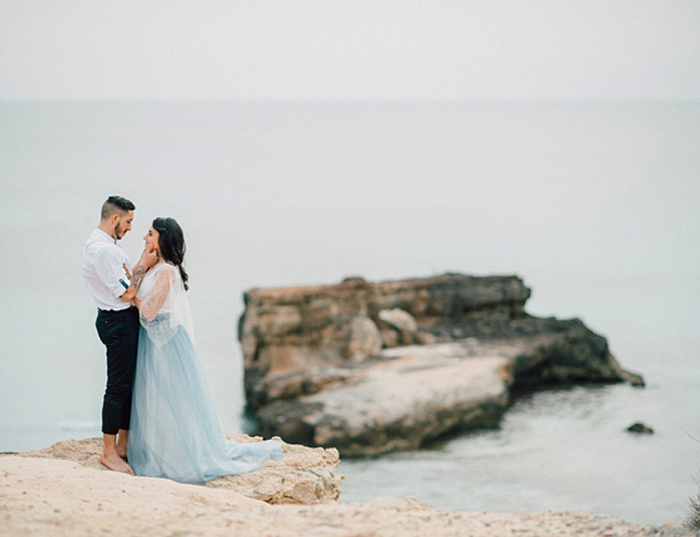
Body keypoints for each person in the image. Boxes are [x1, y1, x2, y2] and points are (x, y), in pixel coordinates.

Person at [124, 217, 283, 484]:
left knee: (171, 402)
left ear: (163, 239)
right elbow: (136, 285)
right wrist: (141, 265)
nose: (144, 237)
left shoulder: (167, 272)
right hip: (151, 342)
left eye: (149, 234)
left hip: (165, 344)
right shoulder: (154, 267)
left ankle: (179, 458)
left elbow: (150, 312)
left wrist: (130, 298)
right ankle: (159, 452)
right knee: (153, 402)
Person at [83, 196, 158, 475]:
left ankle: (123, 446)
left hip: (116, 319)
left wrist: (135, 273)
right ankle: (109, 452)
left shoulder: (102, 246)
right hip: (118, 321)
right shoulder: (105, 251)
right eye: (127, 222)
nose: (129, 229)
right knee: (117, 387)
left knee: (126, 384)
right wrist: (142, 264)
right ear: (115, 218)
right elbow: (127, 293)